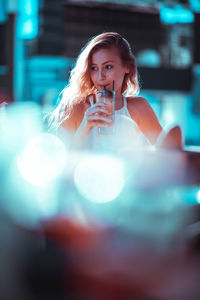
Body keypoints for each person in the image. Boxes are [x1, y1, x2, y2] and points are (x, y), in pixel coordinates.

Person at [49, 32, 165, 151]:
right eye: (94, 68)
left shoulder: (140, 108)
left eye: (108, 67)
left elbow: (168, 153)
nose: (100, 76)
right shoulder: (74, 108)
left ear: (127, 67)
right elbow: (61, 161)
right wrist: (85, 127)